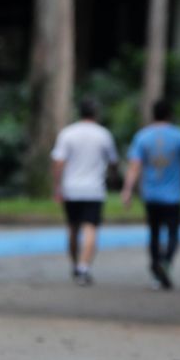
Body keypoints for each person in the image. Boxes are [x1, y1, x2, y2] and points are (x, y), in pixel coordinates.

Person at [121, 99, 180, 290]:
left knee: (154, 233)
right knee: (173, 233)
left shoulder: (142, 137)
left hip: (151, 195)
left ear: (152, 114)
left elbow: (134, 166)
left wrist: (127, 189)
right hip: (173, 196)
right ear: (170, 115)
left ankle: (156, 269)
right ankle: (167, 262)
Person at [51, 99, 119, 286]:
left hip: (71, 188)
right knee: (90, 229)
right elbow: (113, 161)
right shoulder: (103, 134)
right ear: (96, 113)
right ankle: (83, 267)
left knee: (72, 228)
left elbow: (58, 162)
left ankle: (75, 265)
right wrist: (113, 179)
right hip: (94, 189)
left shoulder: (68, 133)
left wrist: (57, 186)